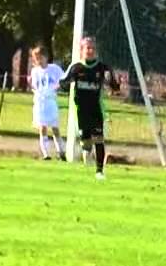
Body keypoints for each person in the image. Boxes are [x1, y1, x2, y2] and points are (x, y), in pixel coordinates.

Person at [58, 36, 120, 180]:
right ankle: (86, 143)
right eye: (87, 48)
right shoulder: (76, 67)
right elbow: (64, 84)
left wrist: (116, 86)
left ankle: (99, 171)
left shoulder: (103, 68)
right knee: (86, 142)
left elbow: (114, 87)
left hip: (97, 110)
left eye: (92, 48)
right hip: (80, 111)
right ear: (81, 50)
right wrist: (61, 85)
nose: (90, 51)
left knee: (99, 139)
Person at [29, 46, 66, 160]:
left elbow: (63, 79)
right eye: (36, 58)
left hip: (51, 102)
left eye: (40, 57)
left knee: (55, 128)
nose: (39, 61)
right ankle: (46, 154)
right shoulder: (35, 71)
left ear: (46, 57)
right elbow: (35, 87)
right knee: (42, 127)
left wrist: (58, 87)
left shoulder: (54, 69)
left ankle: (61, 152)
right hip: (40, 103)